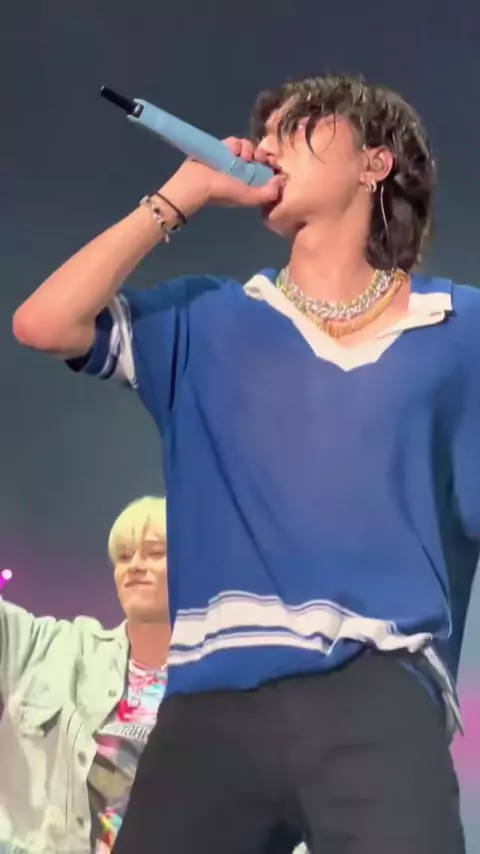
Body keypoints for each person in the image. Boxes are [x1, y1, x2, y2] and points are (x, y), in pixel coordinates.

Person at [12, 73, 479, 854]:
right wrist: (180, 196)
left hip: (380, 690)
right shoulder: (205, 317)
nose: (266, 146)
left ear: (374, 163)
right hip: (209, 703)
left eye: (300, 126)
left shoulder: (460, 328)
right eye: (264, 134)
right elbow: (43, 323)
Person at [0, 496, 170, 853]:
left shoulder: (226, 687)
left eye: (154, 552)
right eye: (124, 556)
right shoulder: (50, 647)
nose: (135, 566)